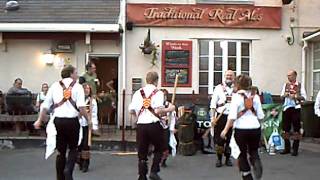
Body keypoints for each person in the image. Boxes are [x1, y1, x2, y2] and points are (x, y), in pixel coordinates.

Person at [34, 65, 89, 180]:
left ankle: (60, 177)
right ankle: (68, 170)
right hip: (72, 121)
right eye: (76, 73)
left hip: (58, 121)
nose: (77, 75)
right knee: (73, 148)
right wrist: (89, 120)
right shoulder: (78, 87)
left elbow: (45, 105)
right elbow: (82, 107)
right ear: (71, 74)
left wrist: (39, 120)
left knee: (61, 151)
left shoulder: (54, 86)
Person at [129, 71, 175, 180]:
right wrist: (170, 108)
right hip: (153, 125)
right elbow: (158, 110)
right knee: (160, 148)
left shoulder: (137, 93)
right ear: (156, 81)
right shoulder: (158, 93)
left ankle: (142, 175)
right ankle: (154, 171)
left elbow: (131, 111)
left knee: (142, 152)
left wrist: (139, 116)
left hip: (141, 126)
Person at [221, 74, 265, 180]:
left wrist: (225, 130)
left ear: (238, 85)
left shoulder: (236, 97)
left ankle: (247, 175)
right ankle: (256, 163)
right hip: (255, 128)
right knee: (253, 151)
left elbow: (231, 117)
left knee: (241, 153)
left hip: (241, 130)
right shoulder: (256, 97)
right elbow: (261, 115)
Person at [210, 70, 235, 167]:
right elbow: (213, 104)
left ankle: (228, 158)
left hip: (233, 117)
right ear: (224, 76)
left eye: (231, 75)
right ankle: (219, 159)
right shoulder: (218, 88)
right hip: (221, 117)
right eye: (227, 75)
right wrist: (212, 118)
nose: (229, 77)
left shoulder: (237, 89)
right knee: (219, 140)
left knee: (230, 139)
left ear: (234, 77)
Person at [280, 70, 306, 156]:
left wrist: (295, 96)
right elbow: (281, 96)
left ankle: (295, 149)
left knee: (296, 129)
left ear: (295, 76)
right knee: (285, 129)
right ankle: (287, 148)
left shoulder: (300, 86)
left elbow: (304, 97)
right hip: (286, 108)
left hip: (296, 108)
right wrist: (285, 95)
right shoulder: (285, 85)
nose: (288, 77)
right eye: (287, 75)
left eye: (290, 75)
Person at [77, 83, 99, 173]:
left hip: (87, 125)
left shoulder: (92, 101)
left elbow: (94, 114)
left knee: (86, 145)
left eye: (88, 89)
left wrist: (94, 126)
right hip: (78, 125)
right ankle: (79, 161)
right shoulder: (78, 100)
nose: (87, 90)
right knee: (79, 144)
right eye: (85, 88)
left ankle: (86, 163)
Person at [159, 89, 177, 168]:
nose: (163, 97)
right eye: (162, 95)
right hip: (156, 127)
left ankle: (163, 161)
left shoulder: (169, 105)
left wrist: (172, 127)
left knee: (165, 145)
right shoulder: (155, 105)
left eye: (165, 95)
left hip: (165, 128)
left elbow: (173, 117)